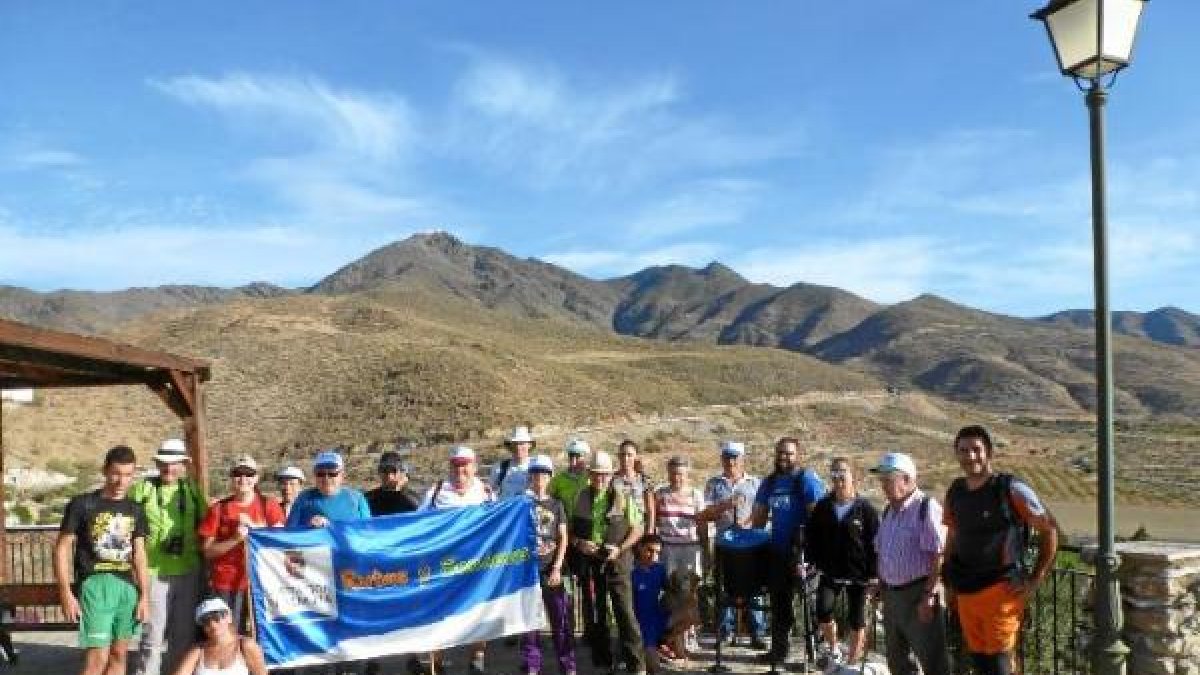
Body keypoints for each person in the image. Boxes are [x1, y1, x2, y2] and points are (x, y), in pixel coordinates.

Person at [942, 426, 1058, 675]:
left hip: (1001, 591)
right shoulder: (955, 492)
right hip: (966, 591)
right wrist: (948, 581)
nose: (970, 456)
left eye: (976, 449)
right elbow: (952, 537)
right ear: (957, 454)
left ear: (989, 452)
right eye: (964, 450)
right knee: (980, 662)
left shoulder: (1010, 489)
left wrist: (1035, 580)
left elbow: (1049, 530)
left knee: (1000, 665)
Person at [54, 445, 150, 675]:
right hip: (95, 584)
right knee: (97, 660)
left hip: (127, 586)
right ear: (105, 470)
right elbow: (61, 549)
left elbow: (139, 554)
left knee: (119, 656)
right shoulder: (82, 504)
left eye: (128, 475)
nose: (121, 481)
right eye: (116, 473)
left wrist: (144, 596)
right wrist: (65, 592)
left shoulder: (135, 509)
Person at [129, 438, 208, 675]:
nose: (168, 468)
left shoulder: (191, 490)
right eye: (164, 463)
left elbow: (207, 526)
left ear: (183, 465)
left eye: (174, 463)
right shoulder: (143, 490)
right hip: (153, 572)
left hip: (189, 571)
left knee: (183, 637)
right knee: (152, 637)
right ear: (156, 464)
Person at [870, 452, 951, 675]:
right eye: (882, 480)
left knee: (933, 661)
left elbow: (939, 554)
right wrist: (880, 583)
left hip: (918, 594)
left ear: (906, 479)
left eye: (888, 479)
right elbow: (882, 550)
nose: (883, 485)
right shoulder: (889, 510)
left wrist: (928, 595)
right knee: (898, 662)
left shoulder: (926, 507)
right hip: (892, 596)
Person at [421, 446, 496, 675]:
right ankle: (437, 664)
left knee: (479, 610)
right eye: (455, 465)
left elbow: (498, 525)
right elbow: (418, 524)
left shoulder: (486, 492)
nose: (460, 470)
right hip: (443, 565)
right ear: (449, 467)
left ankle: (477, 660)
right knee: (439, 614)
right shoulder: (435, 492)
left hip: (476, 563)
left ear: (474, 467)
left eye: (465, 465)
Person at [571, 450, 646, 675]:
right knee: (597, 614)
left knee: (625, 613)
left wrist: (619, 549)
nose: (600, 478)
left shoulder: (623, 497)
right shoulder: (580, 497)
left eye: (604, 474)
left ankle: (637, 666)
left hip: (618, 561)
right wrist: (580, 543)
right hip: (591, 562)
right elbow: (571, 532)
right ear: (590, 475)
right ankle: (603, 662)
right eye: (596, 474)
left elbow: (638, 529)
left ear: (611, 475)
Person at [751, 437, 825, 664]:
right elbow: (759, 517)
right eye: (780, 453)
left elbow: (818, 516)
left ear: (797, 455)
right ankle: (779, 651)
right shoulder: (769, 482)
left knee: (810, 604)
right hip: (777, 552)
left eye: (789, 453)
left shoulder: (806, 479)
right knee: (779, 604)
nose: (784, 457)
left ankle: (816, 653)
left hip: (803, 554)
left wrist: (811, 550)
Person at [804, 456, 879, 670]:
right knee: (823, 611)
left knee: (857, 620)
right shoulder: (823, 506)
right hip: (830, 572)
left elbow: (875, 543)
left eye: (842, 474)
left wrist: (874, 575)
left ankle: (852, 663)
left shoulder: (866, 509)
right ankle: (834, 648)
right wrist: (809, 561)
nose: (838, 479)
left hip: (859, 575)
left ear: (854, 477)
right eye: (834, 474)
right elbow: (812, 537)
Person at [197, 455, 285, 634]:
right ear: (231, 477)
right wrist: (235, 539)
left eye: (249, 474)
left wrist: (255, 528)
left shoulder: (269, 505)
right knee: (231, 633)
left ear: (256, 478)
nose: (243, 479)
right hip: (228, 583)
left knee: (265, 634)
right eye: (238, 474)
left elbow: (281, 540)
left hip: (262, 581)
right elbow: (207, 551)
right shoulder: (218, 509)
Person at [699, 440, 766, 649]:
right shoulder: (714, 484)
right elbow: (706, 514)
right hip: (724, 544)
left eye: (735, 457)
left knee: (755, 588)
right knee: (724, 587)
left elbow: (762, 511)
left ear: (742, 459)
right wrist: (726, 505)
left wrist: (747, 522)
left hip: (751, 545)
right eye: (727, 457)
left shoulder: (755, 483)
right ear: (722, 459)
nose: (731, 462)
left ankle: (757, 633)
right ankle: (725, 631)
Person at [520, 455, 576, 675]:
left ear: (550, 476)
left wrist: (557, 567)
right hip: (527, 570)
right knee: (530, 621)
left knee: (560, 619)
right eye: (535, 473)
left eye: (544, 473)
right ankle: (532, 665)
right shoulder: (521, 504)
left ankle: (568, 665)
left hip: (550, 568)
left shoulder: (556, 504)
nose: (539, 477)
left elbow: (563, 537)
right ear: (530, 476)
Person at [170, 597, 268, 675]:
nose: (212, 624)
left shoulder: (245, 645)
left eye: (217, 617)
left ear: (229, 618)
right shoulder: (198, 650)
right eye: (205, 621)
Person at [648, 456, 706, 579]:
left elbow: (702, 523)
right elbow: (654, 518)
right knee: (669, 584)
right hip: (667, 549)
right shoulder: (660, 494)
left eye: (680, 474)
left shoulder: (696, 495)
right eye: (672, 473)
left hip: (690, 548)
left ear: (687, 475)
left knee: (691, 584)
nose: (676, 478)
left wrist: (705, 547)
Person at [285, 450, 372, 528]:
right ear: (314, 475)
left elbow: (368, 531)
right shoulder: (303, 499)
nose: (326, 478)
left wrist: (331, 526)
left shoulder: (356, 499)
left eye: (332, 474)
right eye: (320, 474)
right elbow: (289, 532)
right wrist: (308, 525)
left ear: (342, 475)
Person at [630, 535, 669, 670]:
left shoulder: (660, 569)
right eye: (650, 550)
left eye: (657, 552)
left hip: (658, 616)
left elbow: (671, 591)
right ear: (640, 547)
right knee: (655, 668)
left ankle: (664, 644)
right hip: (641, 622)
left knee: (691, 613)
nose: (653, 556)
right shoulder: (631, 571)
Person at [612, 440, 654, 528]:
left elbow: (650, 509)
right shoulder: (612, 479)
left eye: (629, 455)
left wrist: (650, 530)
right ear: (618, 456)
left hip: (640, 528)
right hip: (617, 528)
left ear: (636, 457)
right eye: (623, 454)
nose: (625, 458)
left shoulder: (644, 480)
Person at [365, 451, 420, 516]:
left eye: (394, 471)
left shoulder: (410, 498)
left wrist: (399, 489)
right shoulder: (369, 498)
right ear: (379, 472)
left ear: (401, 473)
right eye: (385, 471)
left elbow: (421, 513)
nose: (389, 476)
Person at [492, 426, 535, 500]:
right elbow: (491, 491)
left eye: (522, 443)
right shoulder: (500, 467)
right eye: (515, 444)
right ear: (511, 446)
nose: (518, 447)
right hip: (506, 507)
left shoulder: (538, 467)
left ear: (529, 445)